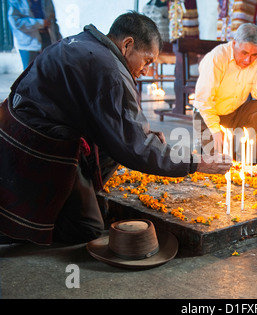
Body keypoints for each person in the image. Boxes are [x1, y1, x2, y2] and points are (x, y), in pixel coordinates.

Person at [0, 12, 231, 245]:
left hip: (13, 126)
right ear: (127, 45)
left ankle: (78, 197)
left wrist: (143, 136)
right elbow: (134, 146)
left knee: (114, 146)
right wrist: (196, 162)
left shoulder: (81, 42)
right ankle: (37, 227)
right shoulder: (109, 70)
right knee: (87, 227)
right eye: (148, 61)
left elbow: (120, 128)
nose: (146, 71)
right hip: (37, 144)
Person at [193, 23, 257, 155]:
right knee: (221, 165)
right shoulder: (217, 57)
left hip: (235, 113)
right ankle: (207, 144)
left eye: (254, 54)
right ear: (234, 43)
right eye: (244, 53)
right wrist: (215, 130)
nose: (248, 60)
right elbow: (203, 100)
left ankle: (252, 157)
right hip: (207, 117)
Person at [7, 0, 62, 69]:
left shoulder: (47, 1)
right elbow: (16, 22)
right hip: (29, 44)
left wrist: (58, 39)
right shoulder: (16, 1)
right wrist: (40, 23)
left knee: (49, 70)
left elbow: (53, 20)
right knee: (30, 73)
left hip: (48, 39)